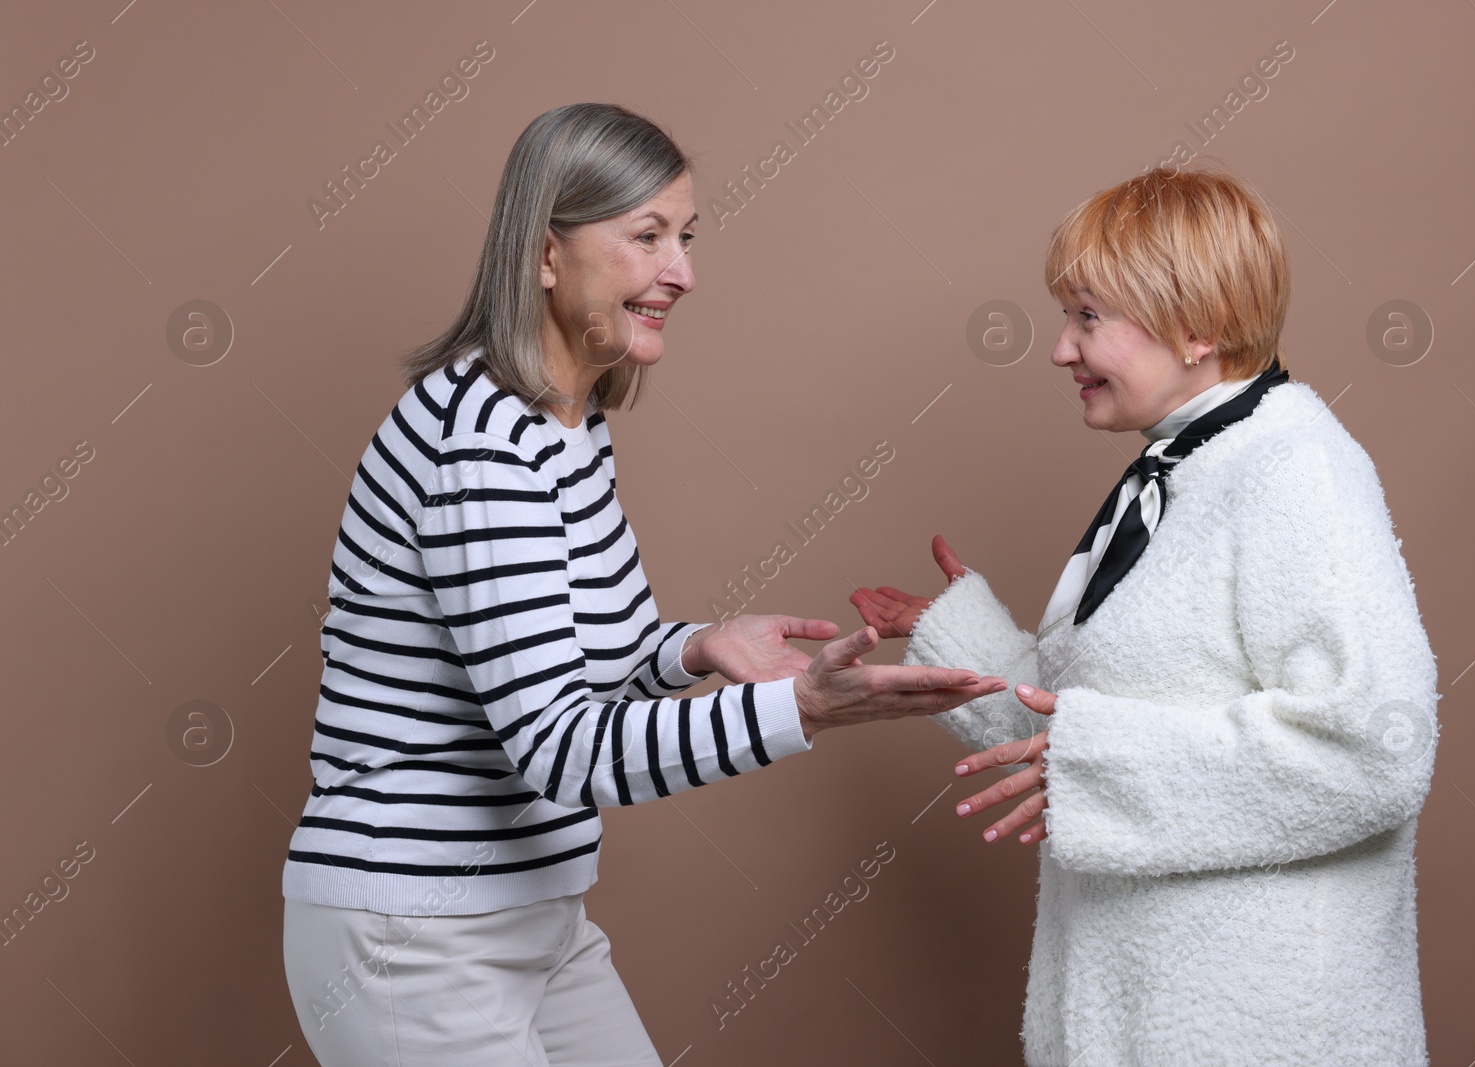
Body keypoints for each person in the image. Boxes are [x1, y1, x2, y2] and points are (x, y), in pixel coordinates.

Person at [279, 102, 1005, 1067]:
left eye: (687, 237)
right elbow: (559, 748)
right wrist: (803, 709)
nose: (683, 272)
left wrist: (691, 648)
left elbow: (574, 658)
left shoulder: (564, 426)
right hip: (417, 926)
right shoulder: (485, 444)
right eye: (648, 236)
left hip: (528, 910)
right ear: (547, 254)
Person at [852, 162, 1440, 1065]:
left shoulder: (1298, 473)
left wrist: (1099, 763)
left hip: (1262, 1034)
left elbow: (1373, 748)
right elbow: (1088, 730)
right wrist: (958, 639)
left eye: (1089, 317)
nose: (1059, 348)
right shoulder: (1183, 472)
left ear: (1196, 325)